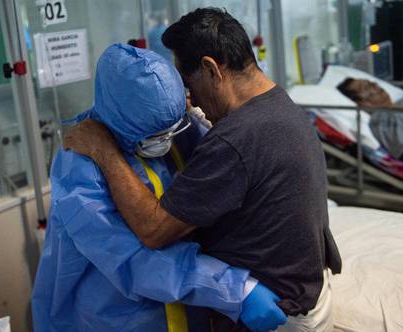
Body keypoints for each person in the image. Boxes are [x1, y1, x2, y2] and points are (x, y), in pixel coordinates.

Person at [64, 8, 342, 332]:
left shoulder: (235, 140)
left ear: (211, 69)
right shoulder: (281, 106)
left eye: (188, 84)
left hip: (275, 314)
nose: (190, 100)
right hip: (308, 292)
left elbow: (153, 231)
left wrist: (104, 151)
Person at [32, 43, 288, 332]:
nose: (166, 140)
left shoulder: (180, 130)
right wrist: (234, 289)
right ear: (123, 119)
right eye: (155, 134)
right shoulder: (80, 167)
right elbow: (129, 258)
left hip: (190, 311)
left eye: (172, 128)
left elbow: (220, 174)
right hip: (115, 319)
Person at [336, 77, 403, 163]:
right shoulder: (382, 119)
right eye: (367, 87)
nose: (375, 85)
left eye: (371, 82)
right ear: (362, 103)